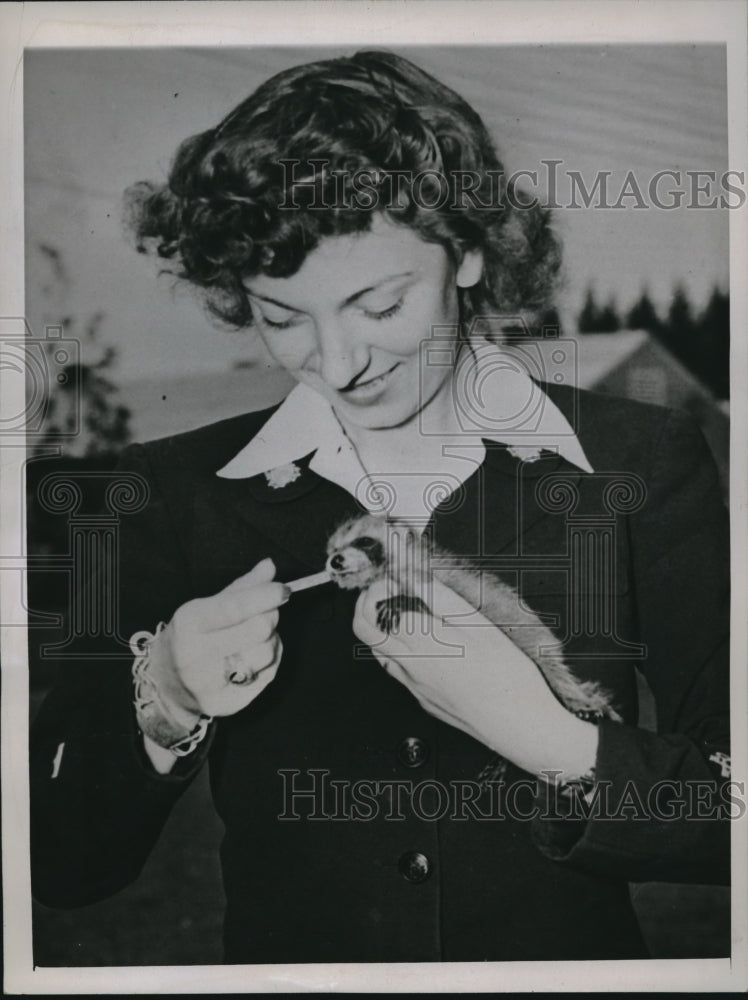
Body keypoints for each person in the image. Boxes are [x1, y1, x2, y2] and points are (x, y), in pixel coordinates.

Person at [30, 50, 730, 964]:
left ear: (469, 249)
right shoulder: (169, 493)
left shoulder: (639, 462)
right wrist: (162, 694)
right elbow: (63, 865)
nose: (339, 361)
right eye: (283, 318)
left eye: (380, 303)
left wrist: (551, 740)